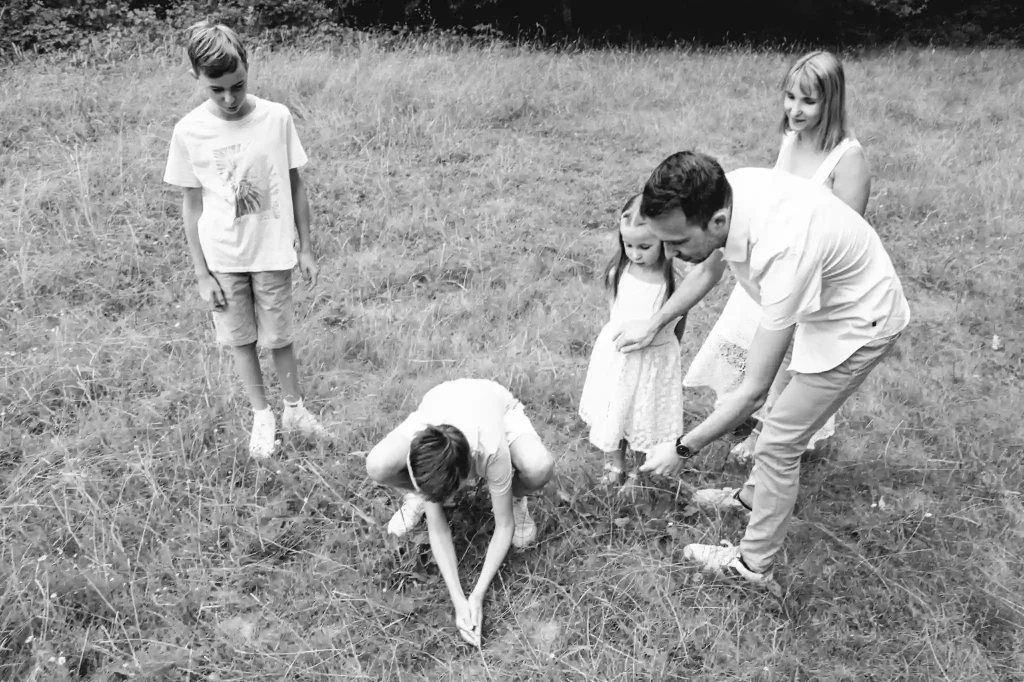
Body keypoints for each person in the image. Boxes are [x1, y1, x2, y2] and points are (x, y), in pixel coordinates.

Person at [616, 151, 909, 588]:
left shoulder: (782, 251)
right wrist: (656, 321)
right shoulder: (726, 193)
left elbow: (752, 389)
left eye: (677, 243)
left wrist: (681, 448)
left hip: (859, 324)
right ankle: (754, 497)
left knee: (778, 441)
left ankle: (752, 567)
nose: (671, 255)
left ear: (715, 223)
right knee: (778, 412)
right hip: (822, 305)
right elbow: (708, 271)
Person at [683, 50, 872, 462]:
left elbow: (847, 232)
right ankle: (743, 413)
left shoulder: (848, 158)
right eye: (790, 97)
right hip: (773, 264)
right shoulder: (792, 138)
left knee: (793, 359)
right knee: (753, 345)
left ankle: (768, 432)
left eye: (808, 101)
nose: (794, 110)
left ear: (832, 101)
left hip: (809, 278)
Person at [164, 22, 328, 459]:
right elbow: (192, 206)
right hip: (223, 258)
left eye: (237, 85)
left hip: (272, 252)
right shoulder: (189, 131)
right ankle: (262, 415)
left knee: (279, 337)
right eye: (216, 89)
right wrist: (202, 274)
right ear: (196, 77)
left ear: (248, 68)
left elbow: (295, 185)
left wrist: (305, 247)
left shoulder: (276, 117)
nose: (230, 99)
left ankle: (294, 409)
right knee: (241, 340)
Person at [365, 379, 555, 646]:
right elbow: (438, 528)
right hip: (440, 406)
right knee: (377, 464)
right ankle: (420, 496)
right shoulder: (424, 453)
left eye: (447, 492)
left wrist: (477, 594)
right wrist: (458, 598)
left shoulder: (491, 449)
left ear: (467, 474)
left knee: (539, 466)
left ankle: (514, 496)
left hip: (494, 404)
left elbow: (504, 527)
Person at [578, 194, 685, 494]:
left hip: (651, 364)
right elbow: (616, 312)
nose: (635, 254)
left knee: (642, 418)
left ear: (665, 241)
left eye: (644, 247)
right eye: (629, 245)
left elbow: (677, 321)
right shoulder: (619, 271)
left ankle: (639, 471)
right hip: (620, 359)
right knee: (615, 411)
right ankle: (614, 465)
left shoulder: (671, 283)